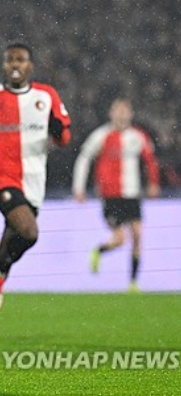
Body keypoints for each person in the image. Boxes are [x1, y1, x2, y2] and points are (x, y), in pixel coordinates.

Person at [0, 43, 71, 341]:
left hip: (34, 180)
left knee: (12, 241)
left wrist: (58, 131)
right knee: (28, 232)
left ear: (30, 65)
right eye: (10, 60)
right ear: (4, 65)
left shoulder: (46, 96)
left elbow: (63, 137)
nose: (15, 64)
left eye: (20, 59)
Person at [72, 97, 160, 292]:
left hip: (132, 194)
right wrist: (79, 187)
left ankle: (133, 283)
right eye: (117, 110)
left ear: (130, 114)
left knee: (137, 235)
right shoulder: (101, 135)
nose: (121, 114)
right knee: (120, 239)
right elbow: (84, 158)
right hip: (110, 196)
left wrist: (154, 183)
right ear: (111, 113)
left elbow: (151, 161)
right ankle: (99, 251)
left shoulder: (138, 136)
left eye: (124, 111)